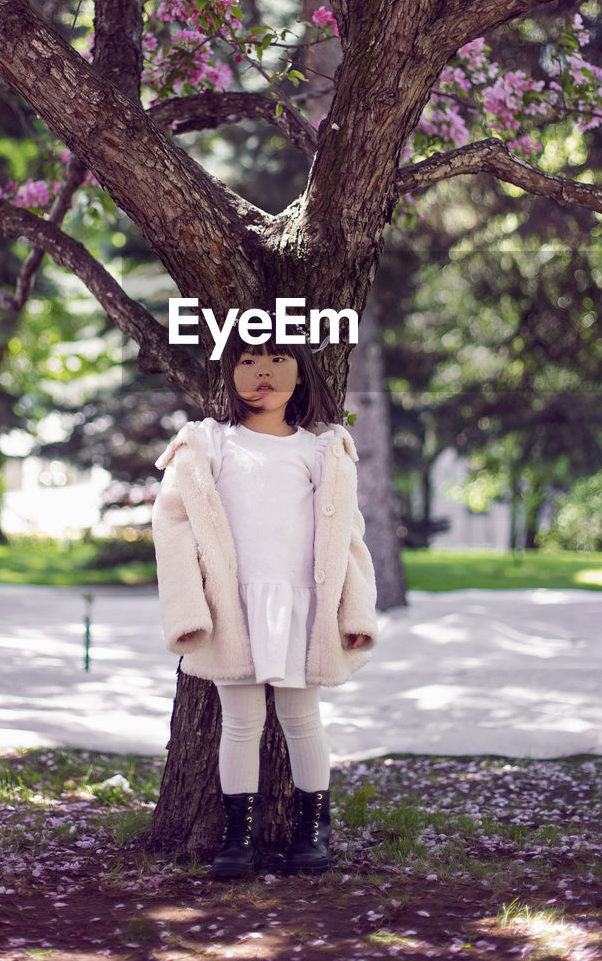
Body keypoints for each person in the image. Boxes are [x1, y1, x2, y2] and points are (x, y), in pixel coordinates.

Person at [151, 321, 377, 878]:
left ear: (300, 374)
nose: (263, 372)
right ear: (229, 373)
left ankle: (312, 834)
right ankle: (238, 838)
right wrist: (187, 610)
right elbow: (173, 525)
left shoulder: (321, 449)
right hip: (234, 605)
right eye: (249, 359)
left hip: (302, 604)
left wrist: (354, 611)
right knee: (241, 722)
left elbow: (349, 536)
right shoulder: (209, 443)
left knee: (303, 719)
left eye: (278, 358)